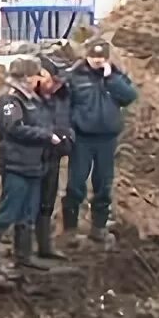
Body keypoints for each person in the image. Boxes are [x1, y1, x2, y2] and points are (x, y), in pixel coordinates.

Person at [0, 57, 61, 274]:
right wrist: (45, 136)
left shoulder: (32, 99)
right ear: (26, 77)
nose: (37, 80)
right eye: (35, 76)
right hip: (16, 165)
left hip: (34, 164)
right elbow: (13, 128)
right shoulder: (9, 99)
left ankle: (23, 256)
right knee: (8, 211)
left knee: (28, 213)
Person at [62, 38, 138, 244]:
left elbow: (130, 96)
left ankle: (99, 227)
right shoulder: (75, 76)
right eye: (94, 57)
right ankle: (70, 229)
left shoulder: (115, 76)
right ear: (86, 56)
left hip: (107, 139)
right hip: (82, 139)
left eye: (101, 57)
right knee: (76, 183)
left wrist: (110, 78)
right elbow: (64, 105)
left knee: (103, 184)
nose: (97, 61)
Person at [35, 54, 74, 259]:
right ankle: (24, 250)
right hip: (33, 156)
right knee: (30, 202)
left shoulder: (61, 95)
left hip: (54, 154)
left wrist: (68, 138)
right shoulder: (27, 98)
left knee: (48, 201)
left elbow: (67, 120)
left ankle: (45, 245)